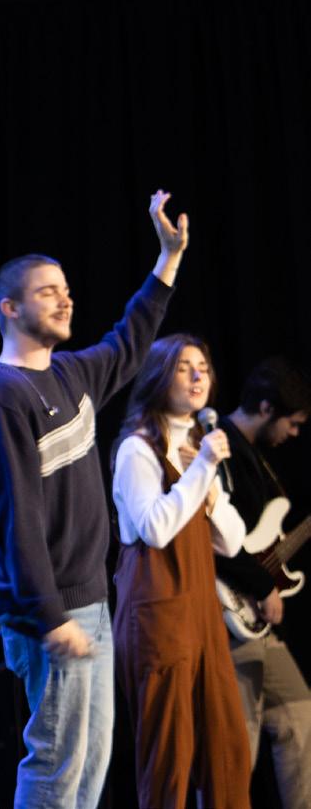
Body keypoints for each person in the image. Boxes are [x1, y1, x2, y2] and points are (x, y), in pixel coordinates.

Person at [0, 190, 187, 809]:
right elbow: (13, 521)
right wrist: (49, 616)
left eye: (65, 289)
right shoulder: (2, 395)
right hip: (50, 613)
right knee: (58, 765)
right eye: (47, 292)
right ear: (9, 308)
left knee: (90, 765)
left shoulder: (72, 374)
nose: (65, 299)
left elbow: (131, 339)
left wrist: (167, 259)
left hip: (90, 602)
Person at [111, 334, 250, 808]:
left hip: (203, 616)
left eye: (203, 367)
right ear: (159, 377)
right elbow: (154, 528)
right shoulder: (138, 449)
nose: (196, 376)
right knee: (169, 760)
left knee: (228, 752)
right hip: (160, 617)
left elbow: (232, 540)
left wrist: (208, 489)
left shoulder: (197, 447)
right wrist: (202, 468)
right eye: (183, 367)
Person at [214, 357, 311, 808]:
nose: (294, 433)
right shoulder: (218, 446)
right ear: (267, 407)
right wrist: (262, 585)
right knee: (237, 747)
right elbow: (212, 536)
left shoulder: (257, 458)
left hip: (258, 623)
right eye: (293, 423)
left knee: (300, 717)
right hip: (228, 615)